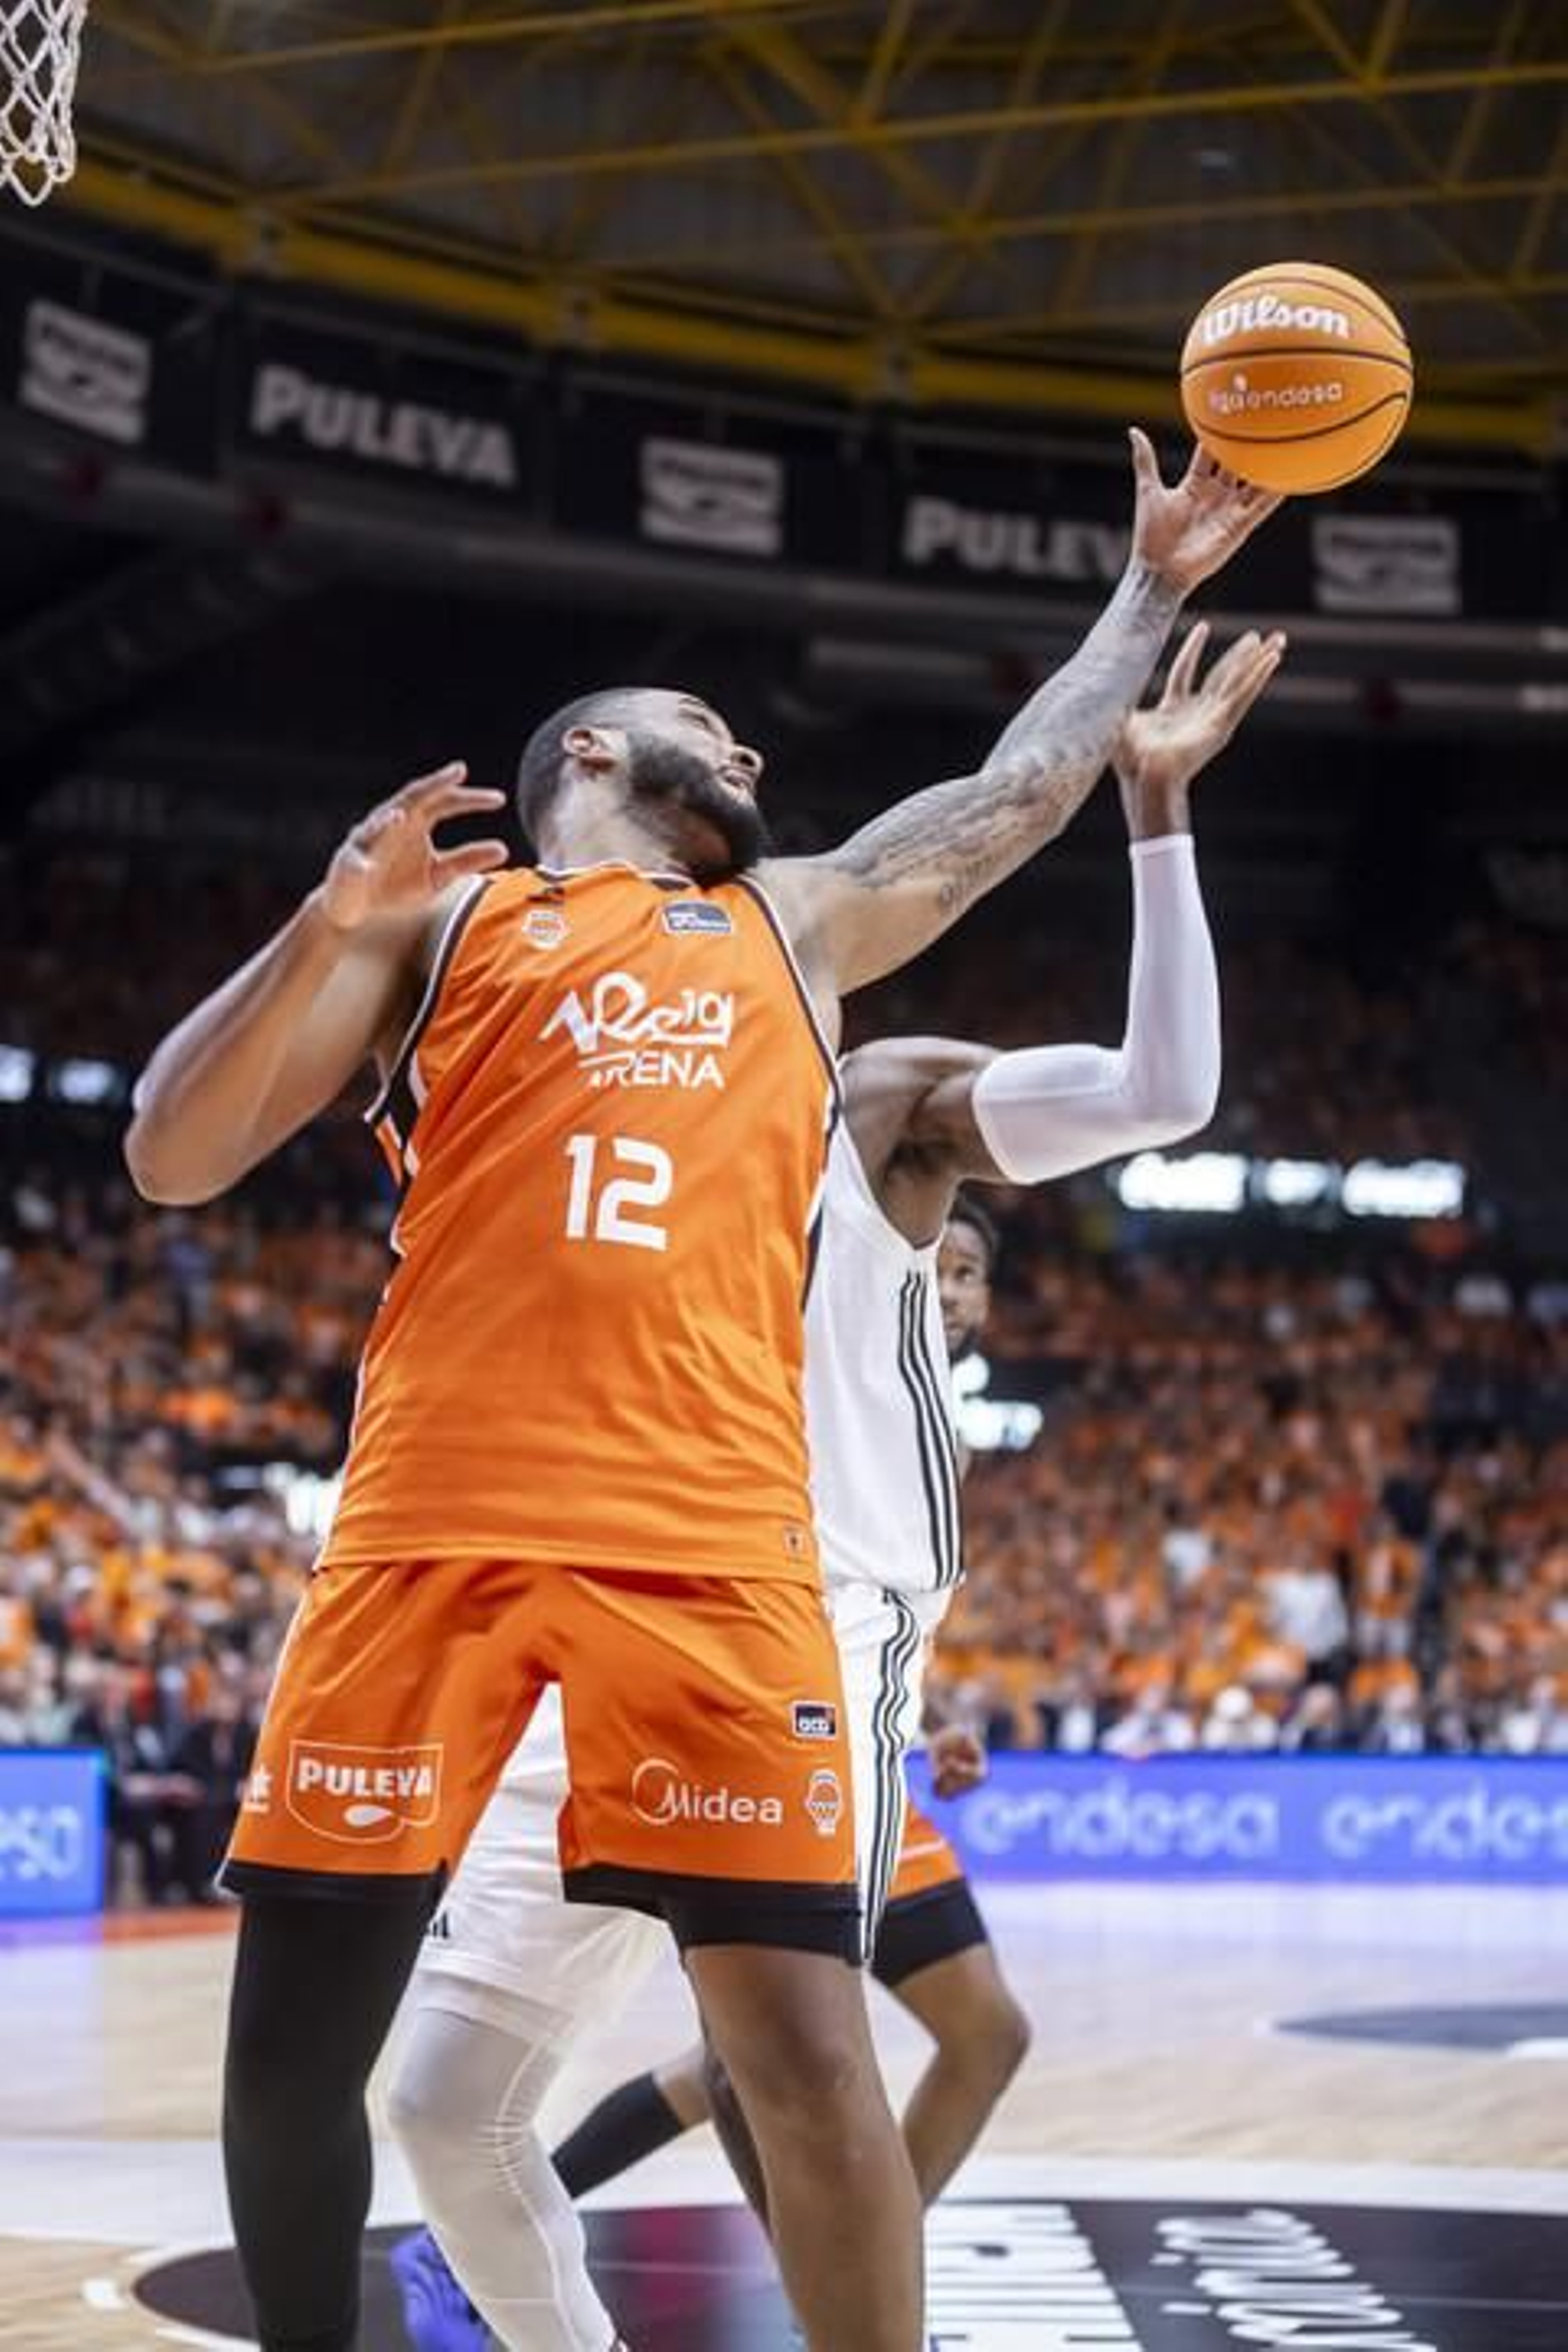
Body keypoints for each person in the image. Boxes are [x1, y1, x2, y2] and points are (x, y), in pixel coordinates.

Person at [124, 435, 1277, 2352]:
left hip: (712, 1548)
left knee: (807, 2059)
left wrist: (1145, 594)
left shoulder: (798, 921)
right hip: (434, 1517)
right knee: (310, 2058)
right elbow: (174, 1153)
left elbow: (1008, 794)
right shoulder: (440, 928)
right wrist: (326, 918)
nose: (744, 752)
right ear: (586, 754)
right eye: (704, 726)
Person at [384, 619, 1282, 2351]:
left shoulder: (871, 1102)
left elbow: (1168, 1090)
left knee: (776, 2057)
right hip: (597, 1599)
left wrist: (1154, 814)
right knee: (439, 2103)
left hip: (817, 1604)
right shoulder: (570, 1088)